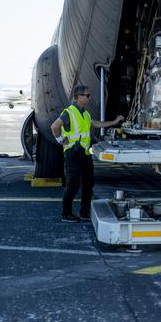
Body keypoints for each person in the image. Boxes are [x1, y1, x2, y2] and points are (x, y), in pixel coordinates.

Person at [50, 85, 124, 223]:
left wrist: (113, 122)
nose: (89, 98)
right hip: (73, 153)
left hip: (84, 153)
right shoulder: (69, 112)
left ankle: (84, 213)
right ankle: (66, 214)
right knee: (73, 184)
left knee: (88, 183)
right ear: (78, 97)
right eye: (87, 95)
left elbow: (95, 124)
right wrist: (61, 140)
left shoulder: (85, 113)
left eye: (89, 95)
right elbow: (55, 126)